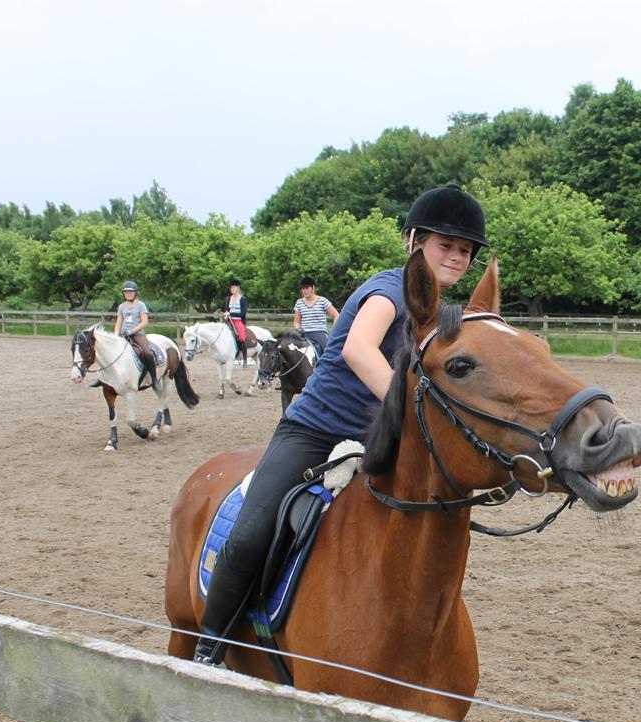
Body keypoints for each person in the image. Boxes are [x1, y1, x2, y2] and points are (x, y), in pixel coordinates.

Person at [193, 185, 488, 666]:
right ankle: (210, 646)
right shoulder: (390, 290)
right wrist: (419, 405)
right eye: (445, 245)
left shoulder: (442, 314)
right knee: (251, 532)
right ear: (414, 242)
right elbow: (357, 349)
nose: (456, 257)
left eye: (464, 250)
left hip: (381, 440)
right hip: (316, 433)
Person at [113, 280, 157, 389]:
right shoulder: (121, 306)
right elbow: (118, 322)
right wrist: (115, 335)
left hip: (137, 334)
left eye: (130, 292)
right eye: (126, 292)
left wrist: (132, 331)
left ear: (135, 293)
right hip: (123, 334)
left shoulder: (141, 305)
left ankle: (153, 378)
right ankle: (103, 378)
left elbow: (144, 322)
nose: (128, 294)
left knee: (147, 353)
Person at [292, 275, 339, 357]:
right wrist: (298, 329)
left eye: (307, 288)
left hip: (319, 333)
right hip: (304, 334)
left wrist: (333, 332)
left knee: (329, 353)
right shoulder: (299, 303)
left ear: (313, 287)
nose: (305, 291)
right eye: (302, 288)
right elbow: (296, 322)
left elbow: (336, 316)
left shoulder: (322, 301)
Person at [221, 279, 250, 367]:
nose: (233, 289)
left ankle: (245, 359)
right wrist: (225, 314)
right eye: (231, 288)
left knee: (241, 338)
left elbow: (243, 313)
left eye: (234, 287)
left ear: (238, 288)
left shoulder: (242, 299)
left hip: (238, 321)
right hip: (229, 320)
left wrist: (230, 313)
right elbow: (226, 309)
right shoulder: (228, 299)